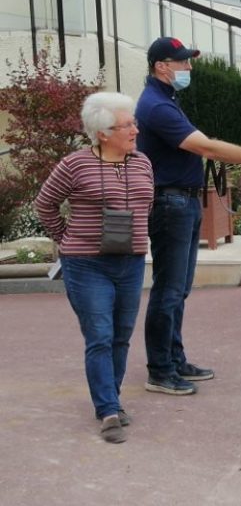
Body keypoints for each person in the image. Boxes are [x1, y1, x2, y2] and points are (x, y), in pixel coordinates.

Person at [136, 37, 241, 396]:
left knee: (177, 289)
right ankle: (160, 370)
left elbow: (199, 143)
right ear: (162, 66)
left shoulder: (166, 101)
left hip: (181, 203)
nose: (188, 68)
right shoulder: (157, 106)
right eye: (182, 62)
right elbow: (205, 146)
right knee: (169, 290)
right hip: (171, 204)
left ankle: (173, 360)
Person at [35, 92, 154, 444]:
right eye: (127, 125)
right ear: (102, 133)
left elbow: (146, 206)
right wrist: (68, 240)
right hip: (86, 265)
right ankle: (108, 411)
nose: (135, 130)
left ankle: (110, 398)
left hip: (131, 262)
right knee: (100, 335)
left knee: (121, 336)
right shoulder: (74, 165)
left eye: (134, 123)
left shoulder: (142, 162)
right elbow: (45, 205)